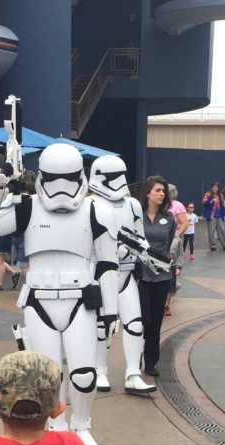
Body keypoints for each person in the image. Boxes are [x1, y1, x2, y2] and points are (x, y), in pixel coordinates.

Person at [0, 143, 120, 445]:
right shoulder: (27, 207)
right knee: (47, 375)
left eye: (68, 178)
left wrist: (111, 310)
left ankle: (82, 425)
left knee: (84, 372)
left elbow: (108, 263)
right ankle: (57, 427)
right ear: (43, 177)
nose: (62, 188)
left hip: (81, 299)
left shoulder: (97, 210)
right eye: (54, 178)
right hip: (39, 300)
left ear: (80, 175)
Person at [87, 154, 156, 396]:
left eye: (122, 175)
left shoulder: (133, 205)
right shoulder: (91, 205)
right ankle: (99, 370)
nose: (120, 181)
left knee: (135, 324)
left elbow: (141, 238)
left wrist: (137, 249)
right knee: (102, 326)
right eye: (114, 176)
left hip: (127, 272)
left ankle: (133, 374)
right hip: (100, 273)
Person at [138, 176, 175, 376]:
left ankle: (151, 362)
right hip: (140, 276)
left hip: (161, 277)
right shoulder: (136, 216)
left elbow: (167, 245)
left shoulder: (169, 218)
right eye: (158, 190)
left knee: (156, 322)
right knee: (143, 319)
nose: (162, 194)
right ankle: (134, 358)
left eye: (164, 191)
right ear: (147, 193)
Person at [164, 184, 188, 316]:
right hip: (162, 238)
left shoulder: (177, 205)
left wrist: (176, 236)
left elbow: (184, 223)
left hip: (173, 239)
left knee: (172, 264)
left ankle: (171, 290)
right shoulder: (161, 204)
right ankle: (171, 288)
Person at [202, 182, 225, 251]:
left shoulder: (220, 195)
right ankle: (212, 246)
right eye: (214, 187)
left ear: (218, 188)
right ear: (211, 187)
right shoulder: (207, 194)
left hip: (220, 215)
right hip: (212, 216)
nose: (215, 188)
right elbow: (204, 203)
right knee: (211, 231)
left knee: (222, 231)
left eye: (216, 187)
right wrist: (211, 201)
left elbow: (223, 206)